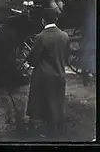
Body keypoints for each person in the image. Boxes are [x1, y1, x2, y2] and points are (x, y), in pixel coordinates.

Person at [26, 8, 70, 139]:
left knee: (42, 104)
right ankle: (58, 130)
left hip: (43, 76)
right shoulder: (65, 36)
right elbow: (67, 55)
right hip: (60, 74)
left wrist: (29, 61)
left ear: (43, 20)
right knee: (57, 102)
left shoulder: (41, 37)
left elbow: (34, 59)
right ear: (56, 19)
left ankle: (44, 132)